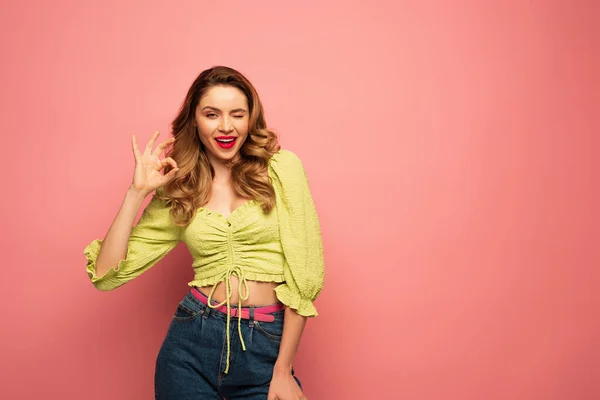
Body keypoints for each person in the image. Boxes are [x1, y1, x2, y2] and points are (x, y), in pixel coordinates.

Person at [83, 66, 325, 400]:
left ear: (250, 119)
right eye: (212, 114)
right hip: (191, 343)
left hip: (267, 347)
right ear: (195, 121)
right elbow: (106, 273)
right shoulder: (181, 187)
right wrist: (136, 193)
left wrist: (283, 370)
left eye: (237, 115)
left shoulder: (283, 169)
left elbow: (304, 275)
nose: (226, 126)